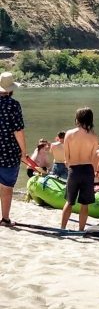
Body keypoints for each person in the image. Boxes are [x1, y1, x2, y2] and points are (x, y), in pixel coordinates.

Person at [61, 107, 99, 231]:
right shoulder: (94, 137)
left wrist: (70, 166)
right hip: (87, 169)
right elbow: (93, 157)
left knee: (69, 201)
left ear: (77, 118)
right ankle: (81, 230)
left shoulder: (69, 134)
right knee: (84, 204)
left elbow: (66, 157)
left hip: (74, 169)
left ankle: (62, 228)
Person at [0, 72, 27, 226]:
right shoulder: (13, 105)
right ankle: (5, 218)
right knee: (6, 187)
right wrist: (23, 152)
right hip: (9, 153)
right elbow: (18, 131)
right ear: (11, 89)